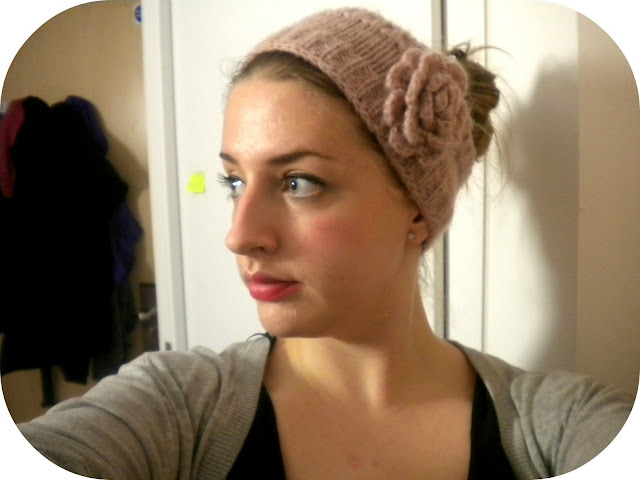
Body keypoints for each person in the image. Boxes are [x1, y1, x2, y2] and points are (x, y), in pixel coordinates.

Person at [17, 7, 633, 480]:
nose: (240, 235)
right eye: (235, 181)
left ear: (417, 209)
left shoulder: (561, 428)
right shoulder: (175, 407)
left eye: (299, 182)